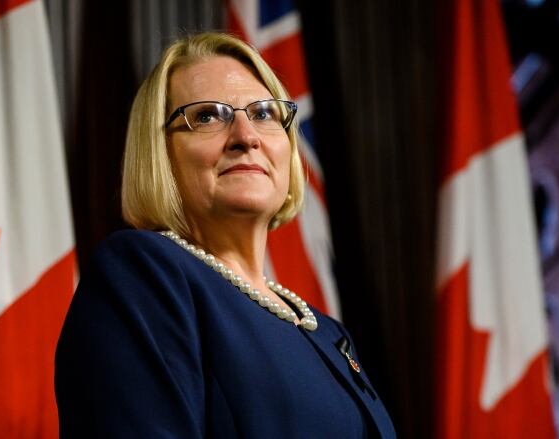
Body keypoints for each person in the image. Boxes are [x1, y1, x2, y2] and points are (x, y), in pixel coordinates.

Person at [55, 32, 396, 438]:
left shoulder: (327, 331)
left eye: (265, 114)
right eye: (207, 116)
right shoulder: (143, 275)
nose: (246, 136)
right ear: (159, 153)